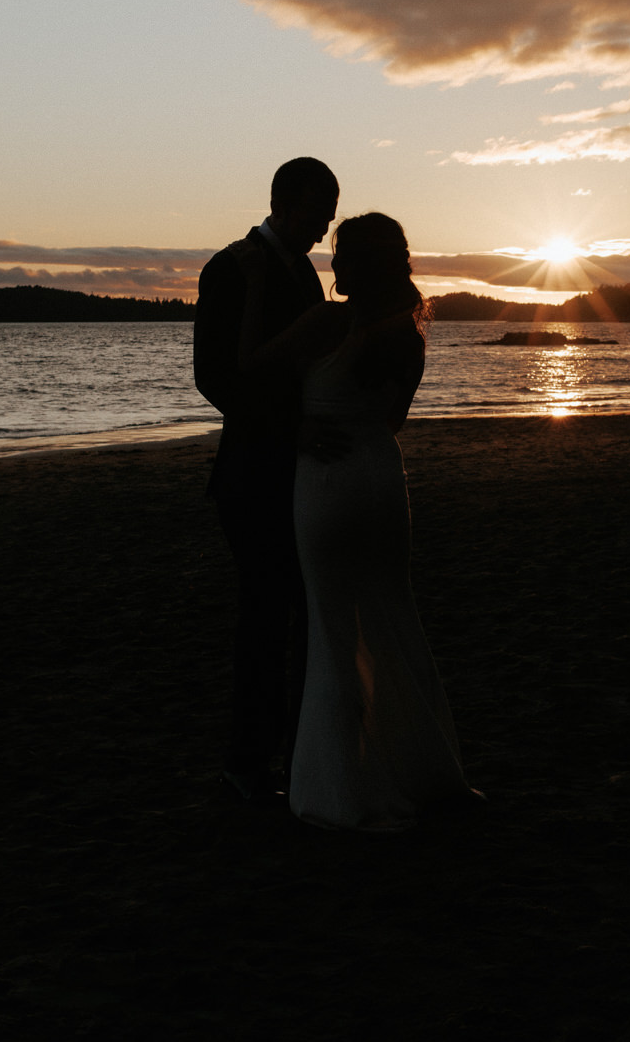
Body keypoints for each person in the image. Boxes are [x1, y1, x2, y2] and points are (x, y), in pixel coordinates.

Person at [239, 212, 478, 831]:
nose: (333, 265)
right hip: (380, 478)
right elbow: (392, 419)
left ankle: (340, 788)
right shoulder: (409, 334)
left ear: (360, 265)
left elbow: (251, 369)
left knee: (332, 631)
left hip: (327, 481)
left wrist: (258, 297)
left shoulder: (327, 321)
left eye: (341, 255)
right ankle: (425, 771)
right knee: (393, 618)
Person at [194, 157, 340, 804]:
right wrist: (291, 430)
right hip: (254, 476)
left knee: (301, 619)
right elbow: (215, 378)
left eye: (332, 209)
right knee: (264, 621)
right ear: (286, 200)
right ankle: (247, 765)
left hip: (302, 473)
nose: (327, 222)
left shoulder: (304, 273)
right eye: (320, 207)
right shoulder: (230, 268)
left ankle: (294, 758)